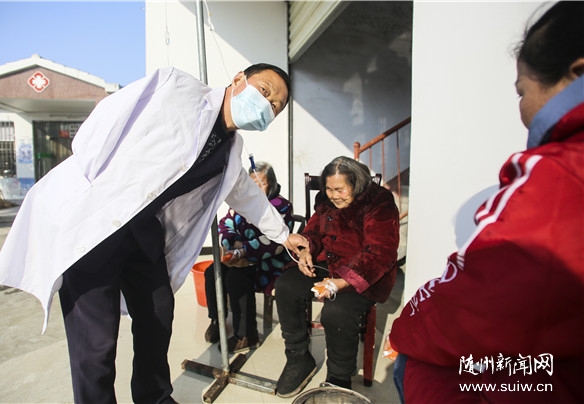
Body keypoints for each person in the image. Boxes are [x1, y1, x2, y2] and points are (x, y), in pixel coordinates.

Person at [0, 63, 308, 404]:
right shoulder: (177, 88)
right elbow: (107, 115)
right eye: (264, 91)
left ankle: (154, 397)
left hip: (144, 233)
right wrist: (96, 183)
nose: (267, 105)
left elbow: (244, 193)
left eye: (275, 106)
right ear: (239, 79)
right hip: (96, 225)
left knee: (157, 315)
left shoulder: (230, 149)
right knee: (96, 341)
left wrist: (283, 234)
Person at [389, 2, 584, 403]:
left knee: (416, 363)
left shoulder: (558, 171)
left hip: (547, 378)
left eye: (522, 92)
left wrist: (403, 330)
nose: (521, 109)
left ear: (576, 75)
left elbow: (478, 298)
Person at [274, 156, 400, 398]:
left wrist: (340, 282)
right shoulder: (326, 199)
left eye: (340, 189)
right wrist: (306, 249)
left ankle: (339, 378)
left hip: (364, 271)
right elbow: (313, 229)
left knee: (337, 311)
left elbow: (380, 252)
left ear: (356, 183)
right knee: (287, 286)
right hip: (328, 262)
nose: (334, 196)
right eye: (329, 189)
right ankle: (298, 357)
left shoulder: (379, 202)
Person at [203, 161, 294, 353]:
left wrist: (244, 249)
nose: (257, 188)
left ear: (271, 183)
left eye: (262, 183)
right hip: (238, 255)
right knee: (212, 272)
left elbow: (278, 242)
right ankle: (217, 320)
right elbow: (225, 224)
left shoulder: (281, 206)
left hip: (267, 260)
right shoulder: (242, 203)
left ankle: (246, 334)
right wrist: (232, 242)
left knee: (236, 278)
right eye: (252, 183)